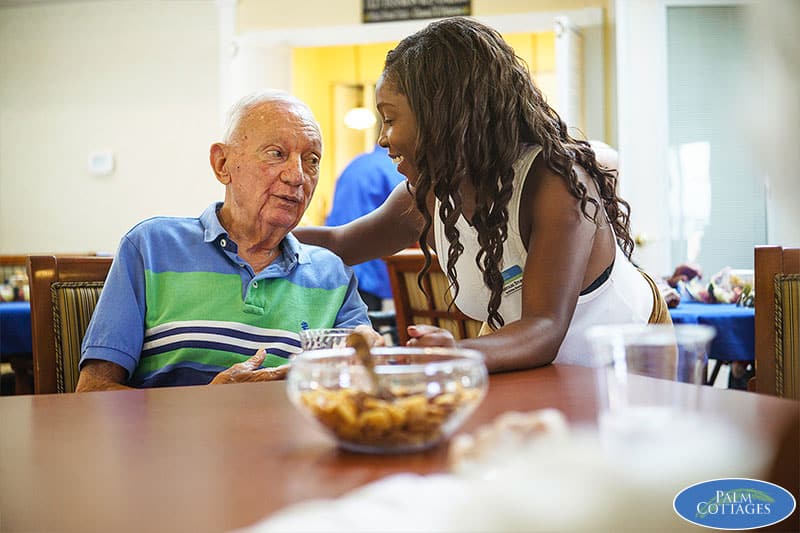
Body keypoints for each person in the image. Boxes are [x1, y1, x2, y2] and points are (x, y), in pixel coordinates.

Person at [293, 17, 670, 373]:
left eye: (390, 119)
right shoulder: (428, 196)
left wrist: (453, 353)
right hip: (532, 360)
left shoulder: (555, 184)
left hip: (630, 355)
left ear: (443, 115)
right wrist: (245, 230)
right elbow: (339, 242)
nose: (382, 139)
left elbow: (544, 329)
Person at [76, 90, 379, 391]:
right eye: (277, 154)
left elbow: (364, 389)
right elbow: (92, 392)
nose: (297, 176)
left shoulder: (332, 274)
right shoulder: (151, 247)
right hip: (176, 439)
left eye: (311, 160)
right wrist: (210, 404)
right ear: (222, 164)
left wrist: (367, 355)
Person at [325, 143, 405, 311]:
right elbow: (409, 216)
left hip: (333, 263)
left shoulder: (355, 164)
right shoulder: (395, 170)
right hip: (367, 265)